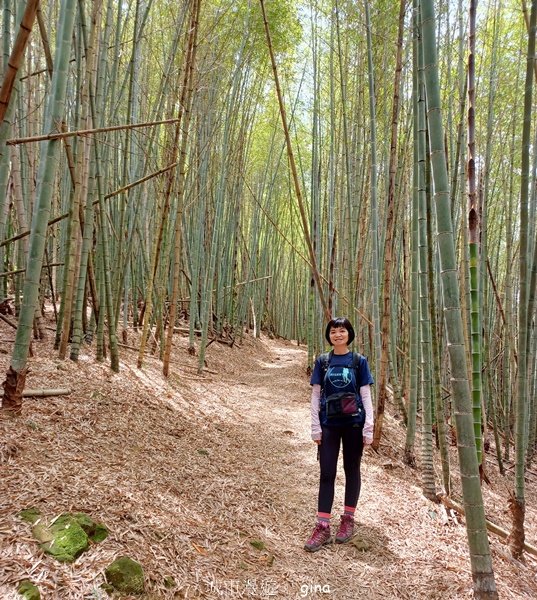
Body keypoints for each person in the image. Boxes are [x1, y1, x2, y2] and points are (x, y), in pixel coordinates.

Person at [304, 317, 374, 552]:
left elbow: (365, 396)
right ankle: (322, 525)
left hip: (354, 423)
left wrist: (369, 426)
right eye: (333, 331)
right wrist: (315, 427)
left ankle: (347, 519)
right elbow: (315, 396)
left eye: (342, 331)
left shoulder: (358, 361)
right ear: (329, 335)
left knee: (352, 469)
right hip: (329, 424)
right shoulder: (323, 361)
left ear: (349, 334)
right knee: (327, 473)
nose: (338, 334)